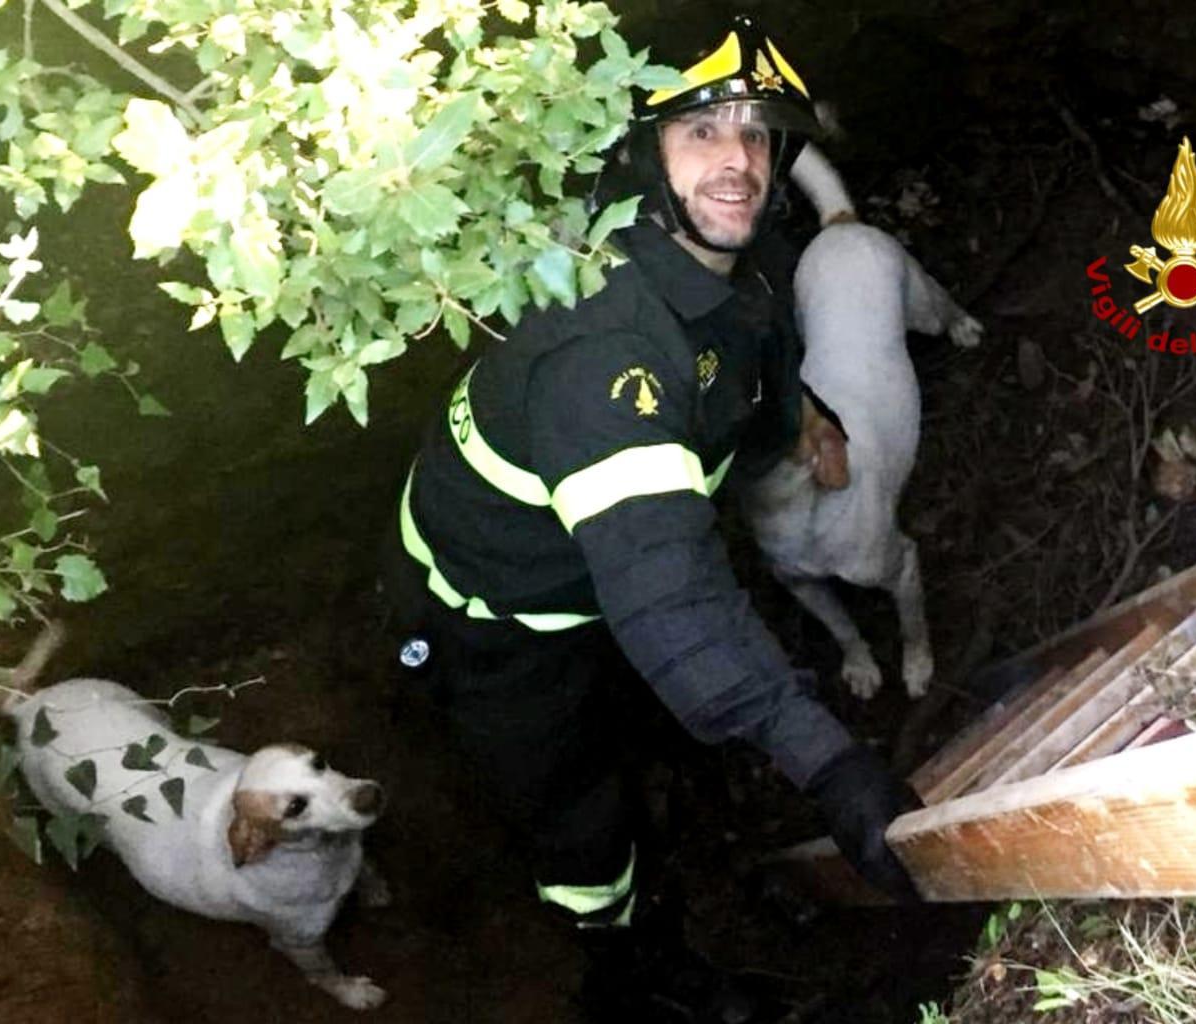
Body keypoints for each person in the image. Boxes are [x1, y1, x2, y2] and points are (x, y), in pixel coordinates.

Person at [384, 14, 921, 1021]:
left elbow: (755, 376)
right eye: (701, 132)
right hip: (497, 622)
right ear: (642, 157)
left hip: (590, 575)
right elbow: (672, 603)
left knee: (640, 693)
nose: (739, 161)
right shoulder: (606, 347)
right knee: (576, 811)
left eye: (756, 135)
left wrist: (813, 422)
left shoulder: (735, 265)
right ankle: (628, 962)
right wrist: (831, 762)